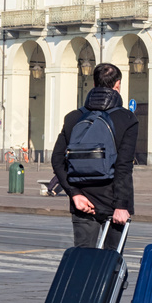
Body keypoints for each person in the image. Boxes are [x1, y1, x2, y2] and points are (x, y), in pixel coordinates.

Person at [52, 62, 138, 250]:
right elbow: (124, 166)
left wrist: (74, 194)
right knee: (110, 264)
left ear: (94, 84)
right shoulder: (127, 119)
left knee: (83, 261)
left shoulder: (73, 117)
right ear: (118, 84)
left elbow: (57, 159)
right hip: (114, 201)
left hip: (83, 201)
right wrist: (121, 206)